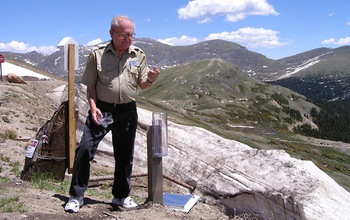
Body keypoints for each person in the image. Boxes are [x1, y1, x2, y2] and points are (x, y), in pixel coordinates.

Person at [64, 15, 160, 213]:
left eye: (131, 34)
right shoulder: (97, 54)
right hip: (102, 108)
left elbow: (141, 84)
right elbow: (90, 85)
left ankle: (121, 196)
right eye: (124, 34)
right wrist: (93, 107)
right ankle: (76, 195)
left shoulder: (138, 55)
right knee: (84, 149)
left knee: (125, 155)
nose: (128, 38)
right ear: (112, 33)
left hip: (128, 110)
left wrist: (150, 79)